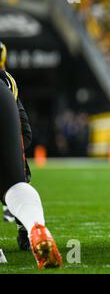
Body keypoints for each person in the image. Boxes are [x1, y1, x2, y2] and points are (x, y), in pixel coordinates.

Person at [0, 69, 63, 269]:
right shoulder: (7, 78)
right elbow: (25, 133)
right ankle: (37, 227)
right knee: (14, 186)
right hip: (3, 94)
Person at [0, 41, 32, 252]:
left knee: (18, 179)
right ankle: (31, 228)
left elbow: (20, 125)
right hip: (13, 130)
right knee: (18, 182)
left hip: (10, 131)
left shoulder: (5, 80)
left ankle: (26, 229)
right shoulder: (6, 79)